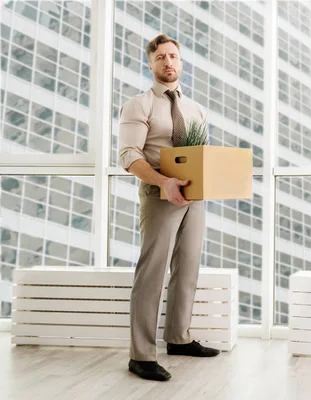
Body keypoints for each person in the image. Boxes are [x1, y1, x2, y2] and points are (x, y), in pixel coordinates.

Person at [118, 33, 220, 382]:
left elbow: (199, 155)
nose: (168, 62)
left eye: (173, 55)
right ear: (150, 64)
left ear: (181, 61)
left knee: (188, 266)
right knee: (152, 272)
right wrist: (164, 182)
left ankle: (179, 337)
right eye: (160, 57)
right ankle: (141, 355)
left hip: (194, 198)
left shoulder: (196, 109)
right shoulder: (139, 104)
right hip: (159, 193)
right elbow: (128, 155)